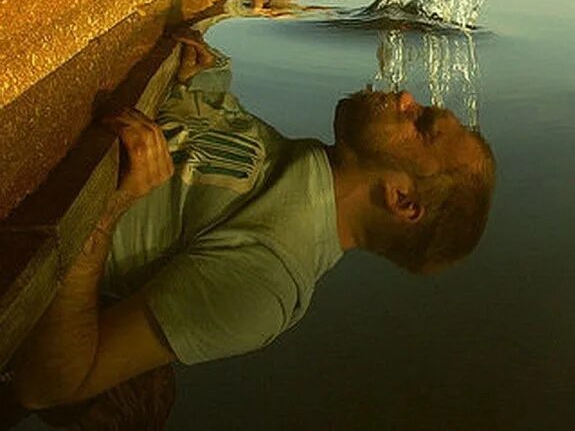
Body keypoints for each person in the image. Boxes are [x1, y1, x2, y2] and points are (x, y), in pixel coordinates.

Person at [10, 35, 496, 412]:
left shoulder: (266, 283)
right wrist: (197, 81)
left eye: (422, 125)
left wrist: (105, 213)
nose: (408, 98)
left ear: (401, 199)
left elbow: (54, 385)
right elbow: (207, 166)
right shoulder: (290, 163)